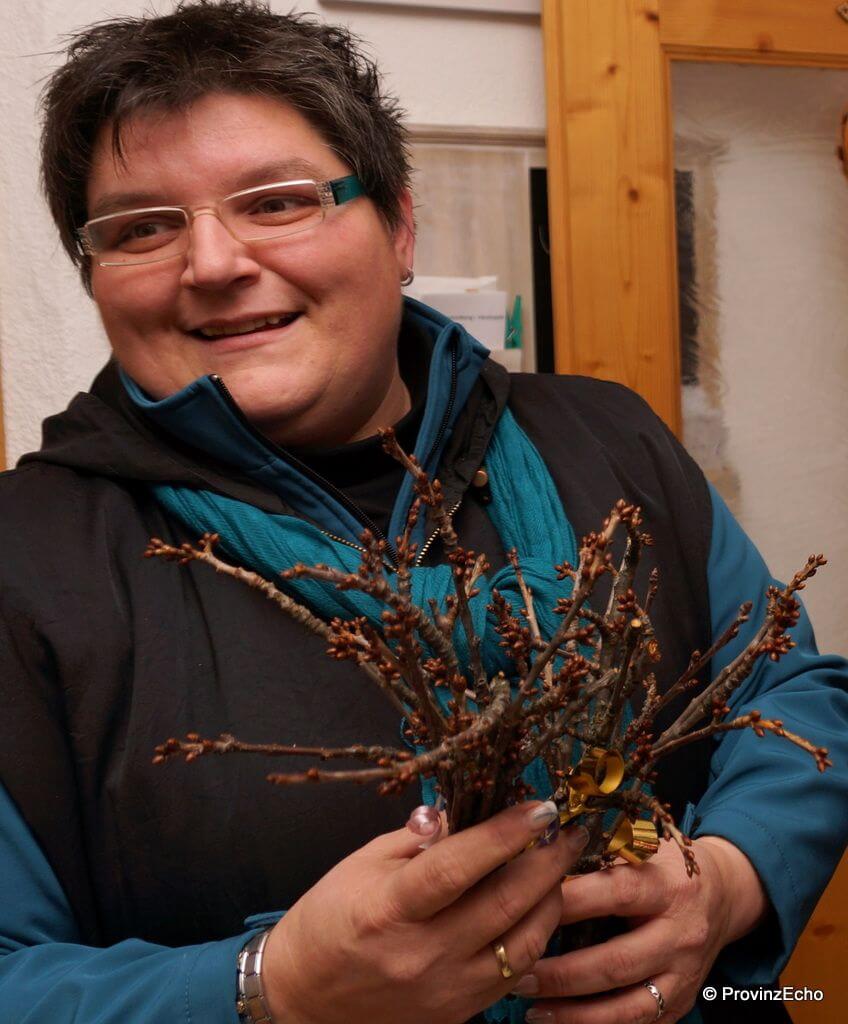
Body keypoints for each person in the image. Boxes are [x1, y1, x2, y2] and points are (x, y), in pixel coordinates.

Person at [0, 2, 845, 1023]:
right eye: (142, 227)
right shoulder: (26, 565)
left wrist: (729, 878)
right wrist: (268, 987)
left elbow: (789, 691)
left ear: (399, 225)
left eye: (277, 202)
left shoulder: (606, 437)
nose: (213, 263)